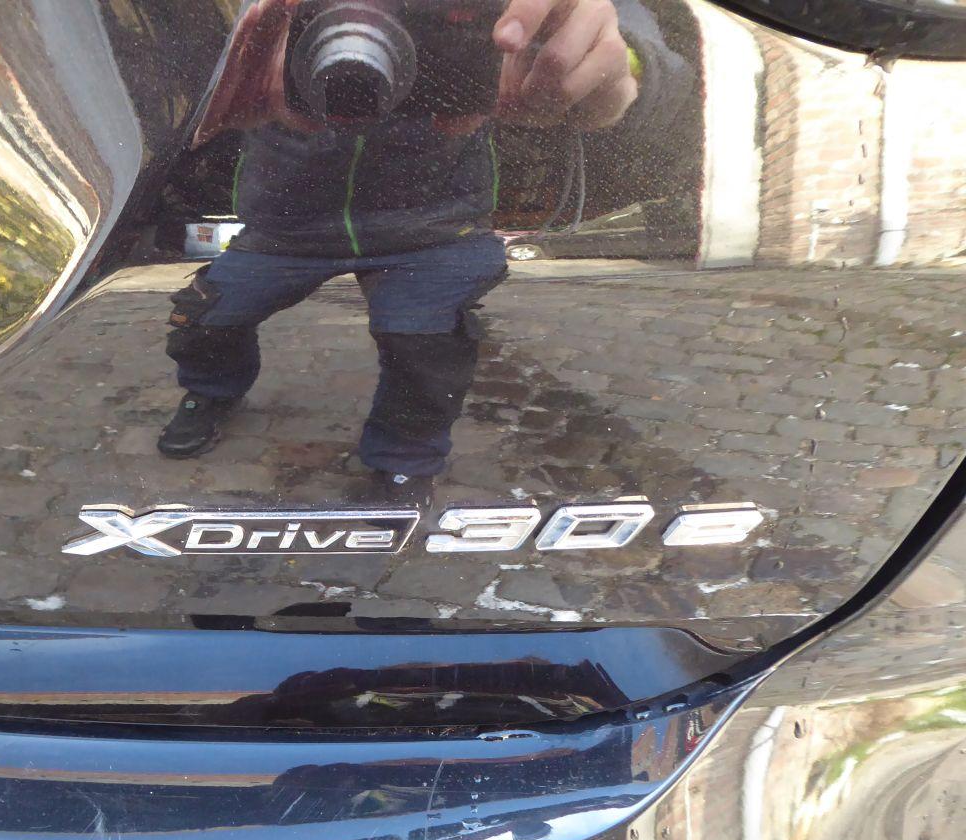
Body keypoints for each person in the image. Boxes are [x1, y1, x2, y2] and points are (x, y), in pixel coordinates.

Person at [158, 0, 685, 502]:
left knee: (426, 347)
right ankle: (211, 391)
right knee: (208, 318)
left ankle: (405, 459)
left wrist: (617, 60)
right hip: (288, 228)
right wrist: (202, 91)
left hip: (432, 228)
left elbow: (657, 66)